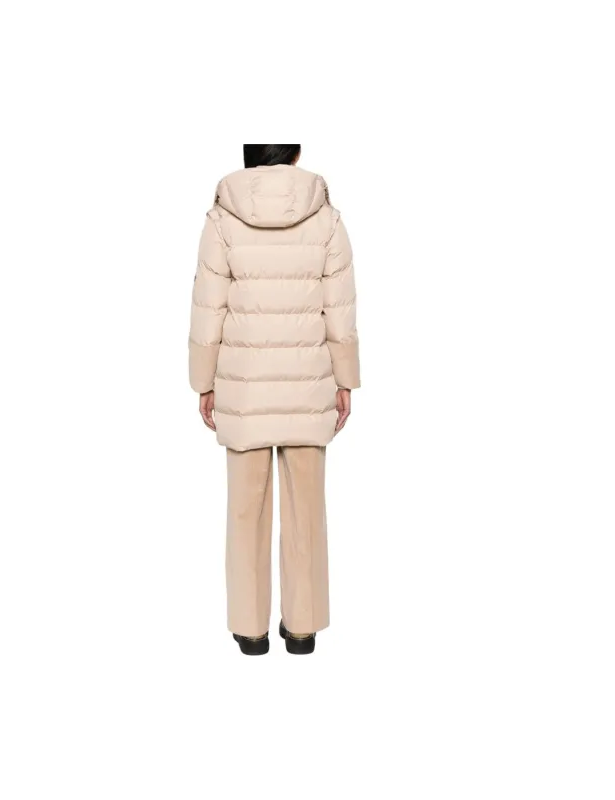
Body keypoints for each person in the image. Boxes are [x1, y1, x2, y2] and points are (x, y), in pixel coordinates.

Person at [188, 144, 360, 655]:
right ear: (296, 152)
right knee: (306, 511)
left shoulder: (223, 217)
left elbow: (208, 305)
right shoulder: (325, 216)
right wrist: (345, 378)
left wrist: (203, 381)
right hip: (309, 380)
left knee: (246, 511)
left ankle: (250, 629)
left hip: (243, 382)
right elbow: (341, 307)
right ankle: (302, 629)